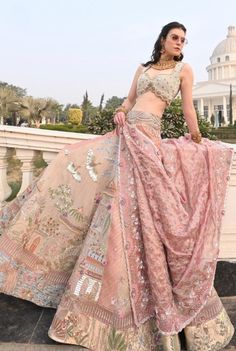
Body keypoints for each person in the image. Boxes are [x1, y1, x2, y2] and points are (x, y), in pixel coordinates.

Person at [0, 22, 234, 351]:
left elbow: (187, 110)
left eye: (184, 39)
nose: (180, 42)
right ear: (163, 40)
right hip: (124, 137)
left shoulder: (185, 70)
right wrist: (120, 113)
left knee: (142, 217)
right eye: (175, 37)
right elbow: (128, 101)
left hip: (147, 143)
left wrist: (199, 141)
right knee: (76, 168)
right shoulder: (143, 68)